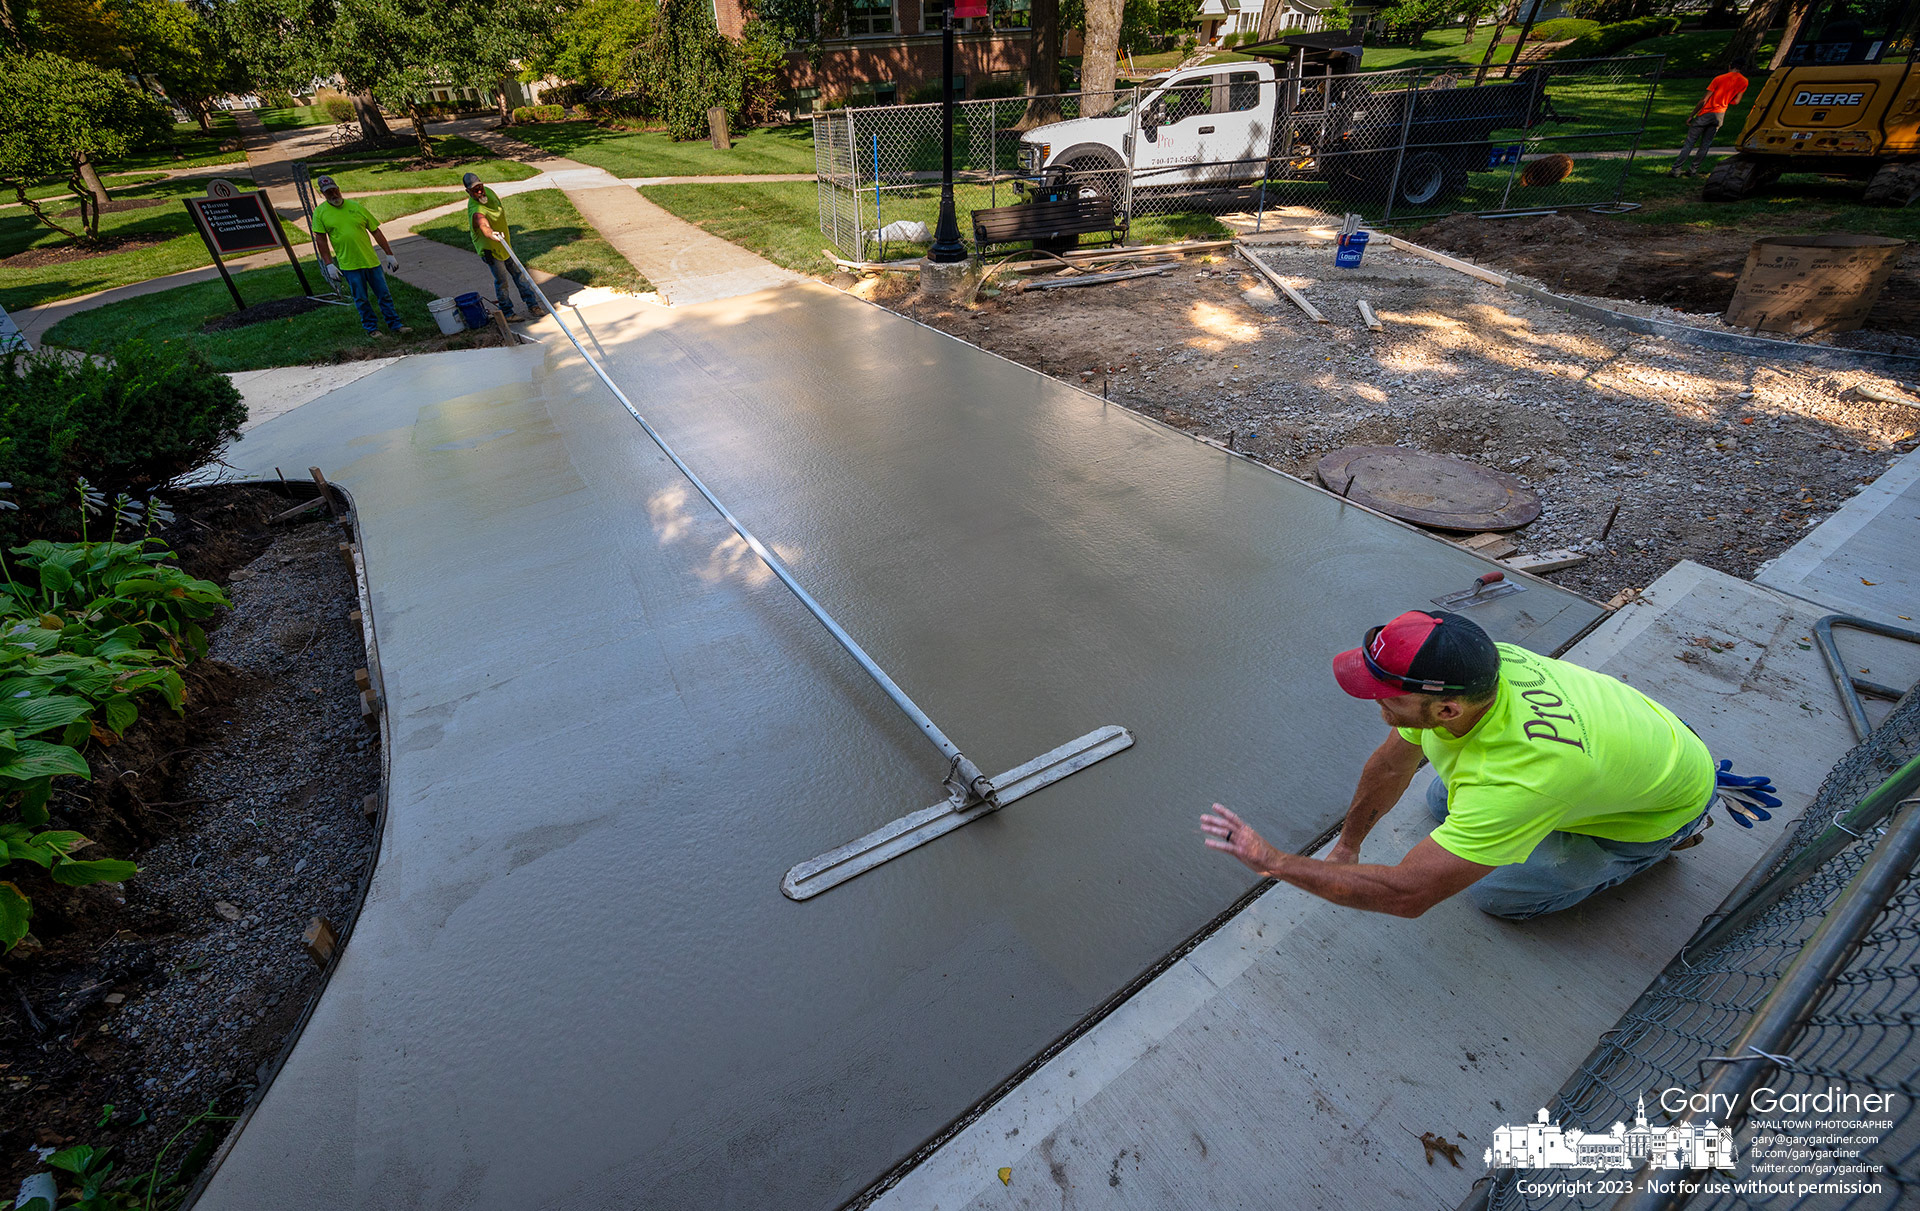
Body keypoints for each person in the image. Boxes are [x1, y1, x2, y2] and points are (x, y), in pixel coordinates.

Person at [1200, 610, 1732, 921]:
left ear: (1448, 709)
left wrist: (1276, 862)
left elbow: (1407, 895)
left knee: (1496, 896)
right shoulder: (1473, 667)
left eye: (1387, 698)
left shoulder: (1521, 778)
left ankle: (1659, 847)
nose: (1375, 705)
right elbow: (1390, 767)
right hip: (1644, 748)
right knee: (1441, 800)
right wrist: (1347, 848)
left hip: (1658, 805)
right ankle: (1619, 807)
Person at [309, 174, 410, 340]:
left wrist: (389, 254)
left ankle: (395, 325)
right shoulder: (320, 213)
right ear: (323, 194)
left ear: (339, 189)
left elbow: (375, 230)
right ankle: (372, 328)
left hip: (371, 261)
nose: (333, 195)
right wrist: (329, 264)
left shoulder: (356, 207)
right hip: (349, 265)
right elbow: (321, 240)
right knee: (361, 298)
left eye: (334, 190)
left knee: (384, 295)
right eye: (328, 193)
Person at [463, 173, 547, 322]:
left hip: (504, 245)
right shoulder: (476, 209)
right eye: (475, 190)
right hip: (491, 250)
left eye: (480, 187)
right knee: (502, 282)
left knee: (520, 275)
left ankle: (533, 306)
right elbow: (483, 225)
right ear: (468, 192)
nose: (480, 191)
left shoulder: (487, 192)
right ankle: (507, 312)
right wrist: (491, 234)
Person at [1670, 59, 1752, 178]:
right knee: (1705, 144)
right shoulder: (1744, 81)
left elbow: (1704, 100)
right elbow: (1737, 101)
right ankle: (1693, 170)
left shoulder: (1719, 78)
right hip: (1720, 114)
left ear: (1730, 66)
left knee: (1690, 142)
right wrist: (1725, 100)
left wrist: (1691, 115)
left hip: (1707, 112)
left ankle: (1676, 169)